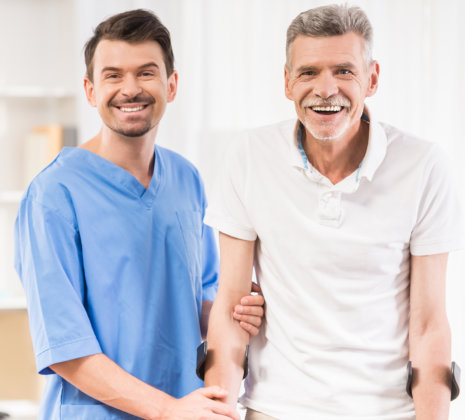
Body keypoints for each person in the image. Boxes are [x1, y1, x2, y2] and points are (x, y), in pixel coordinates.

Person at [203, 4, 464, 420]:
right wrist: (217, 411)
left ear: (372, 78)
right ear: (287, 82)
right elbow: (232, 309)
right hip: (275, 409)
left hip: (387, 413)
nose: (326, 89)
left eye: (344, 71)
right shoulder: (247, 156)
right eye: (308, 72)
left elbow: (430, 325)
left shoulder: (425, 165)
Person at [14, 9, 265, 420]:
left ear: (172, 84)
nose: (130, 89)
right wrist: (168, 410)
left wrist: (236, 308)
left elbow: (196, 299)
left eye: (146, 73)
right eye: (113, 75)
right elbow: (64, 348)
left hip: (188, 407)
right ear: (90, 90)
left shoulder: (187, 179)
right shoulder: (53, 195)